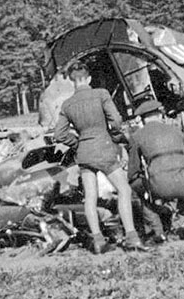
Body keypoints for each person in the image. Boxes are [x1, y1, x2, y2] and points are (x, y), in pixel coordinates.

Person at [53, 62, 147, 254]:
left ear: (73, 82)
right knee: (124, 189)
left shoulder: (67, 104)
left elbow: (59, 134)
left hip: (84, 153)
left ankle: (98, 240)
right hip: (104, 148)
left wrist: (77, 142)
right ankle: (131, 236)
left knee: (90, 197)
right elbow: (116, 120)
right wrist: (112, 135)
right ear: (88, 78)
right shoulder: (101, 94)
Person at [127, 99, 184, 244]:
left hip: (160, 185)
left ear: (142, 120)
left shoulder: (137, 136)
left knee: (138, 190)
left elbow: (133, 172)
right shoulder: (176, 131)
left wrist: (142, 184)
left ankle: (157, 231)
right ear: (160, 115)